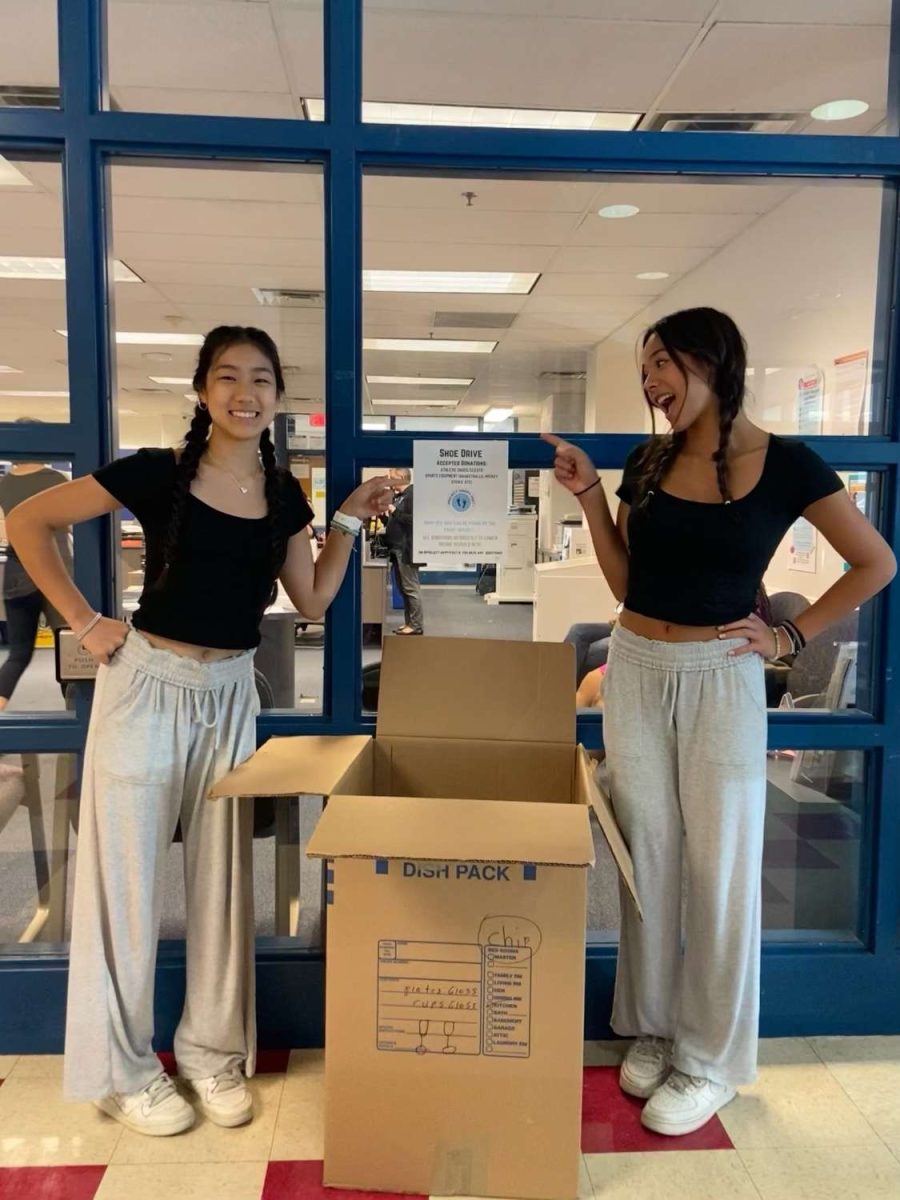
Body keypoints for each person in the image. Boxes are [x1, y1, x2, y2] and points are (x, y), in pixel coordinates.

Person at [7, 325, 392, 1137]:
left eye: (260, 379)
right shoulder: (155, 473)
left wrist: (349, 523)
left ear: (278, 397)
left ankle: (214, 1053)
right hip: (145, 687)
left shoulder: (285, 493)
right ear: (202, 390)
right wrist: (82, 621)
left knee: (222, 880)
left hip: (229, 694)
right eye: (226, 377)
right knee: (125, 882)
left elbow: (314, 599)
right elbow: (29, 523)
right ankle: (122, 1068)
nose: (244, 393)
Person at [544, 307, 895, 1137]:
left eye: (663, 364)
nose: (651, 382)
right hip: (634, 667)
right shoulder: (648, 459)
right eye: (645, 368)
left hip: (722, 677)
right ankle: (657, 1024)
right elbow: (629, 585)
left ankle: (710, 1059)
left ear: (715, 362)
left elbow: (876, 561)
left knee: (722, 869)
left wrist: (788, 632)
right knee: (648, 859)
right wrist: (593, 497)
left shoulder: (786, 464)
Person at [0, 457, 71, 710]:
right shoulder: (56, 480)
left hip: (17, 570)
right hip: (57, 571)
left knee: (18, 654)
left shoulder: (5, 483)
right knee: (69, 649)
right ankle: (76, 720)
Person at [384, 467, 424, 635]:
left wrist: (395, 511)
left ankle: (416, 624)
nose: (389, 480)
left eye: (391, 477)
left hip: (406, 549)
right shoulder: (400, 497)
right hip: (397, 548)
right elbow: (398, 520)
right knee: (403, 589)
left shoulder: (413, 494)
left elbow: (417, 520)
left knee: (411, 588)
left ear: (400, 477)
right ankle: (409, 622)